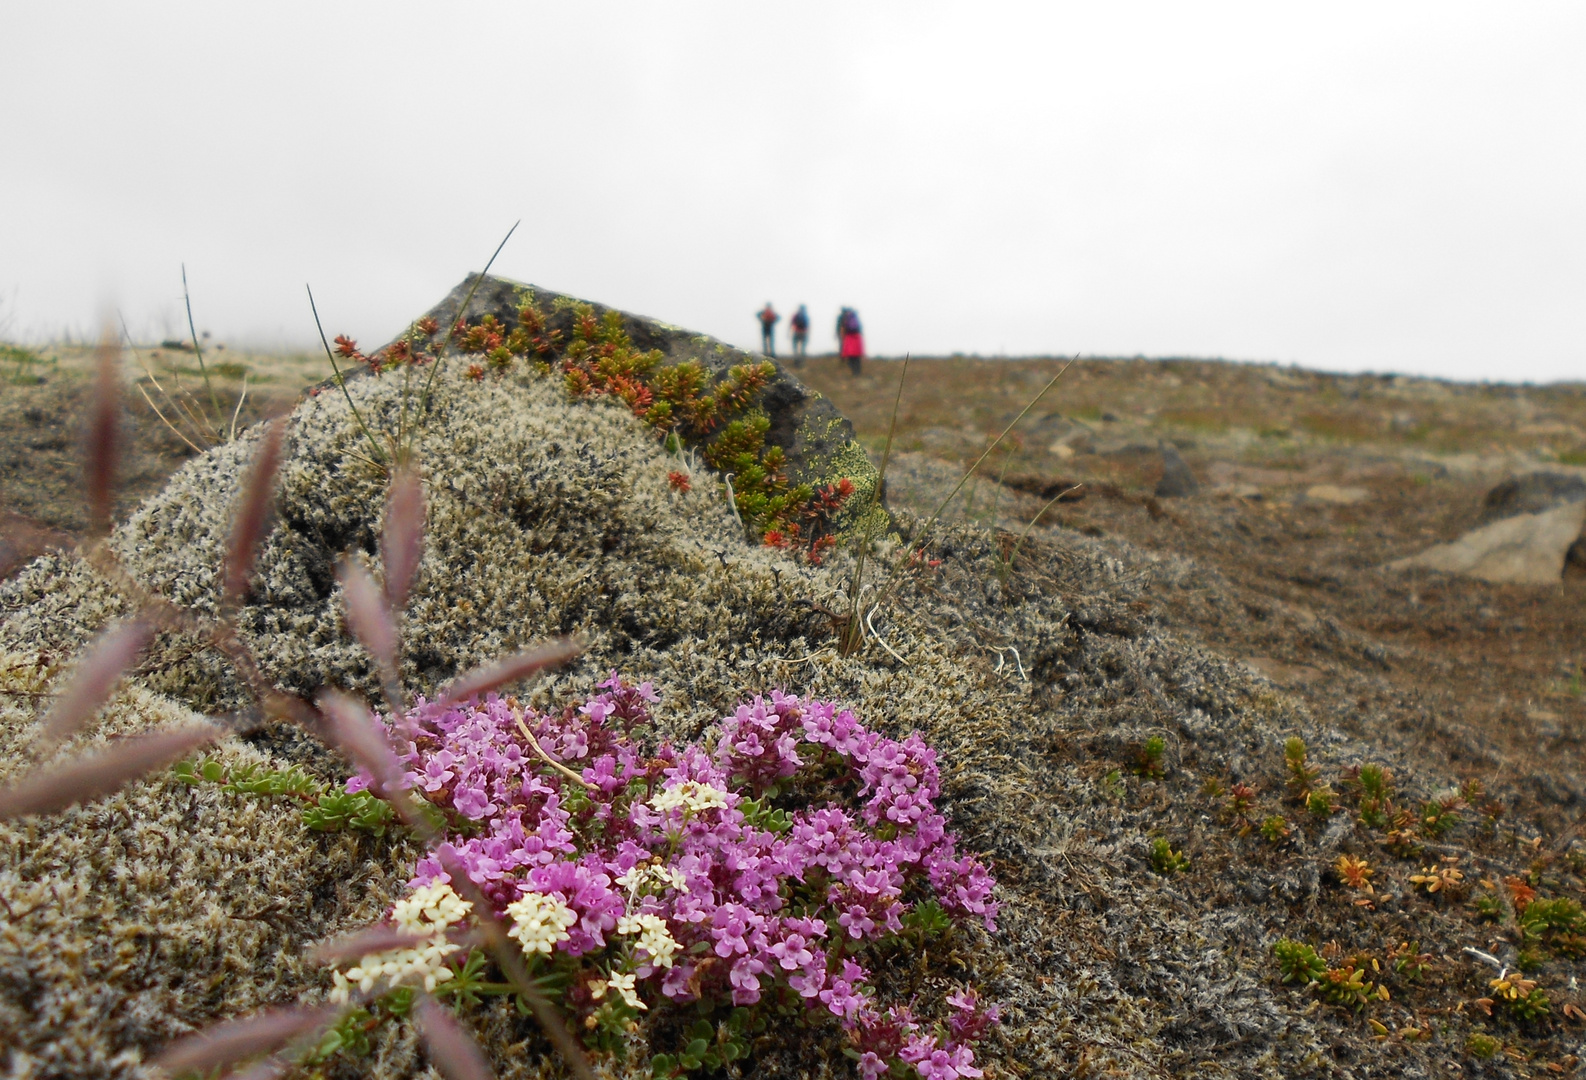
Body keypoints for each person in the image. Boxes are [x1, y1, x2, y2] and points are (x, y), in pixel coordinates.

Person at [837, 307, 864, 375]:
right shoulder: (855, 318)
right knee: (857, 357)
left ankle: (853, 371)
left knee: (850, 355)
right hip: (857, 338)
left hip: (849, 338)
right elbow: (860, 328)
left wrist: (842, 337)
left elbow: (843, 329)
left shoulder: (845, 318)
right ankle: (858, 371)